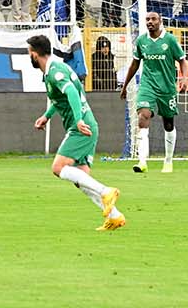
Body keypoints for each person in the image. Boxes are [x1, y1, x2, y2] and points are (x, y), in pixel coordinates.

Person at [29, 33, 125, 230]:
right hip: (87, 124)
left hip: (80, 126)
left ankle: (106, 190)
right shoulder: (56, 69)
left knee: (58, 168)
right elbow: (61, 98)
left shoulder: (55, 72)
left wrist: (79, 120)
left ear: (35, 54)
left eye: (28, 52)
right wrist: (47, 116)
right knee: (82, 179)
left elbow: (72, 92)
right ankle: (115, 217)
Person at [117, 10, 186, 174]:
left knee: (168, 124)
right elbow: (134, 64)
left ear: (160, 21)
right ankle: (142, 162)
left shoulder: (169, 40)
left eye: (153, 19)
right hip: (147, 85)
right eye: (147, 19)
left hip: (167, 87)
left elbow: (182, 60)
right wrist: (125, 85)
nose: (150, 22)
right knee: (143, 116)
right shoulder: (141, 41)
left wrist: (183, 78)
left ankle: (168, 161)